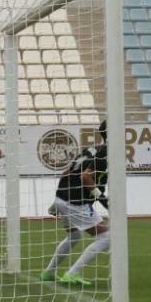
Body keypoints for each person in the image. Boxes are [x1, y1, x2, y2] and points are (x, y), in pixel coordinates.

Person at [41, 120, 111, 287]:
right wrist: (104, 200)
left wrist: (56, 202)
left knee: (74, 236)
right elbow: (85, 177)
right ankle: (72, 274)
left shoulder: (90, 149)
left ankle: (49, 273)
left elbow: (67, 172)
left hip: (62, 198)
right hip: (75, 203)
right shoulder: (107, 154)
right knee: (106, 238)